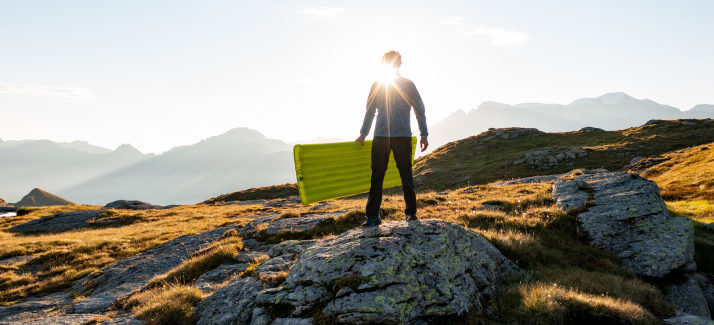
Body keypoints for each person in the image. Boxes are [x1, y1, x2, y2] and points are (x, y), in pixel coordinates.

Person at [355, 50, 429, 228]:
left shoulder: (409, 85)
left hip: (403, 136)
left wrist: (424, 134)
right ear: (385, 65)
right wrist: (363, 134)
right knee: (377, 176)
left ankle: (411, 213)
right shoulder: (377, 85)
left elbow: (420, 110)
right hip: (380, 136)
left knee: (406, 175)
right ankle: (372, 216)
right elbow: (370, 111)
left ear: (399, 65)